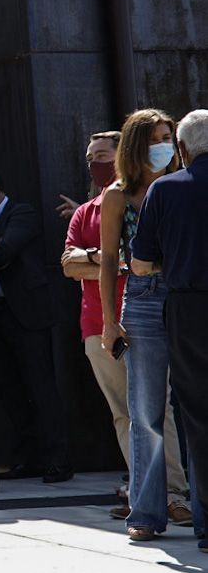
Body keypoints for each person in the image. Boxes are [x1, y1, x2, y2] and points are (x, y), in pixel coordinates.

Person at [64, 130, 187, 522]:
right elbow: (69, 264)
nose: (94, 163)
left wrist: (102, 259)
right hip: (101, 323)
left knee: (159, 408)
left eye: (102, 154)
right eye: (89, 157)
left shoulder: (167, 193)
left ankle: (174, 493)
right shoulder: (89, 210)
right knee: (126, 412)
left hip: (155, 314)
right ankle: (143, 490)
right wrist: (112, 259)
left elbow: (135, 259)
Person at [103, 109, 189, 541]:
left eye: (169, 136)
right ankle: (146, 512)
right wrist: (108, 320)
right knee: (145, 412)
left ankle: (184, 497)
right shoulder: (118, 196)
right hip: (141, 300)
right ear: (137, 143)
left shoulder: (181, 186)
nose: (165, 144)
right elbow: (106, 264)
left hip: (186, 297)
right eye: (156, 137)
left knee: (189, 406)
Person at [130, 108, 208, 552]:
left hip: (190, 306)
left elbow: (141, 263)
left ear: (181, 149)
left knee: (195, 412)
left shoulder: (167, 189)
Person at [0, 166, 70, 481]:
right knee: (10, 390)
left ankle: (58, 460)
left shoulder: (21, 213)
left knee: (41, 387)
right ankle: (27, 459)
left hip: (27, 314)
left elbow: (5, 252)